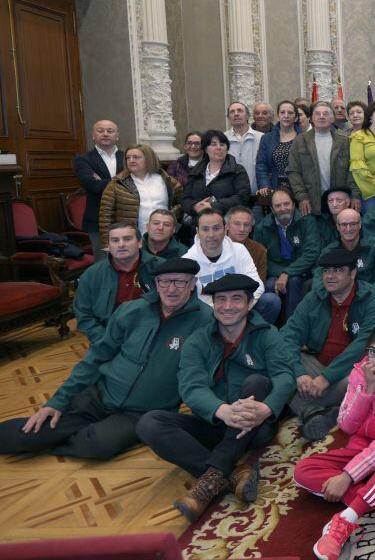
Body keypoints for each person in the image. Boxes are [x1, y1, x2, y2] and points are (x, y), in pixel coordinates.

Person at [0, 258, 212, 459]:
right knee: (30, 433)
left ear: (193, 284)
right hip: (99, 396)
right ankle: (47, 437)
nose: (171, 288)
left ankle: (62, 439)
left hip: (141, 412)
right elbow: (96, 357)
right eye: (164, 281)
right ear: (156, 283)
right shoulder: (131, 311)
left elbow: (204, 377)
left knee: (100, 444)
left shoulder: (206, 322)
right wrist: (57, 402)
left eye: (179, 282)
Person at [136, 273, 294, 522]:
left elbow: (284, 376)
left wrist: (267, 409)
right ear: (212, 304)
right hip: (213, 422)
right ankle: (229, 474)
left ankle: (208, 483)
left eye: (236, 299)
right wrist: (222, 411)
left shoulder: (267, 334)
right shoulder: (198, 340)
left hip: (253, 426)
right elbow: (190, 386)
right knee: (149, 423)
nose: (228, 306)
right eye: (220, 300)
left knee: (257, 382)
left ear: (249, 303)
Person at [294, 321, 375, 559]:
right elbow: (346, 424)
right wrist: (368, 391)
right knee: (302, 471)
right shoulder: (358, 373)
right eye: (373, 352)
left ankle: (348, 516)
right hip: (359, 449)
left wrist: (347, 476)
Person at [282, 249, 375, 442]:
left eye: (337, 270)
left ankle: (302, 405)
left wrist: (327, 377)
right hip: (315, 364)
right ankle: (318, 410)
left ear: (353, 273)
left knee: (365, 378)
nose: (330, 276)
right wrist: (300, 373)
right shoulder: (315, 297)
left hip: (349, 372)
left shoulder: (374, 300)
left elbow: (363, 346)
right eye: (326, 271)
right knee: (280, 363)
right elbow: (288, 335)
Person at [184, 209, 280, 325]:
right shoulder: (187, 261)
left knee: (271, 301)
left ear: (225, 229)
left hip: (240, 307)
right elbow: (190, 301)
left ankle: (254, 338)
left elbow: (257, 285)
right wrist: (222, 312)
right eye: (205, 229)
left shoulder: (239, 250)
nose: (211, 235)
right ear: (197, 232)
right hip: (209, 314)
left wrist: (240, 309)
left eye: (216, 228)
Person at [73, 222, 161, 345]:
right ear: (108, 246)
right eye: (115, 240)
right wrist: (104, 340)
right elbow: (84, 314)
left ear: (140, 243)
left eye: (127, 239)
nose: (121, 245)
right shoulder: (92, 275)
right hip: (107, 339)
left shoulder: (161, 268)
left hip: (153, 337)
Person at [252, 188, 320, 321]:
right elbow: (261, 258)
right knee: (270, 285)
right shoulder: (262, 227)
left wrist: (287, 273)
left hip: (302, 271)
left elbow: (311, 253)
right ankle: (270, 329)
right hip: (274, 272)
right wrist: (283, 272)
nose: (283, 208)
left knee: (293, 282)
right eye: (278, 205)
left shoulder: (307, 222)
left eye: (286, 204)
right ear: (272, 209)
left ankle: (291, 325)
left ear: (293, 204)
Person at [99, 144, 181, 246]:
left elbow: (181, 202)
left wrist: (171, 214)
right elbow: (105, 217)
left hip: (164, 236)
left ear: (149, 159)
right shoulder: (117, 183)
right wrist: (108, 244)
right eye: (128, 158)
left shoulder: (166, 180)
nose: (131, 160)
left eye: (136, 157)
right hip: (132, 239)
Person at [312, 208, 375, 296]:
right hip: (340, 298)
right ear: (337, 227)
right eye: (344, 225)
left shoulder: (374, 245)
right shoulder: (329, 251)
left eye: (353, 224)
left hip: (369, 297)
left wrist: (374, 289)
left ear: (360, 225)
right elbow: (318, 279)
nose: (348, 229)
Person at [287, 101, 353, 217]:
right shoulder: (300, 141)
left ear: (332, 119)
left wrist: (354, 196)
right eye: (317, 114)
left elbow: (351, 171)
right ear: (312, 118)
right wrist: (302, 197)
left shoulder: (344, 141)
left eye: (325, 114)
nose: (321, 117)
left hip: (338, 202)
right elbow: (294, 171)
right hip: (310, 201)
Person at [75, 119, 124, 256]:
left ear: (117, 135)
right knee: (102, 263)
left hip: (127, 216)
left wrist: (102, 181)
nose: (105, 134)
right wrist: (123, 183)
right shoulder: (83, 159)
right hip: (98, 220)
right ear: (93, 135)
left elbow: (136, 183)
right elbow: (91, 184)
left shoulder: (128, 157)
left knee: (128, 260)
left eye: (110, 131)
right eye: (100, 130)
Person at [180, 130, 251, 223]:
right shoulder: (196, 171)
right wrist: (195, 206)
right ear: (205, 149)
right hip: (198, 222)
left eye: (222, 144)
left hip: (227, 221)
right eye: (213, 144)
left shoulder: (237, 170)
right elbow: (185, 198)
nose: (219, 148)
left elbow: (242, 197)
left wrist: (213, 206)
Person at [256, 100, 300, 196]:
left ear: (296, 118)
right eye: (282, 112)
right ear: (277, 116)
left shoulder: (304, 138)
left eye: (290, 113)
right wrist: (264, 185)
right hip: (275, 187)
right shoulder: (267, 138)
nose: (286, 115)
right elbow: (261, 165)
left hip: (299, 187)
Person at [225, 101, 264, 198]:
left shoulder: (262, 138)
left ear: (247, 116)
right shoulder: (222, 139)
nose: (236, 114)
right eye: (232, 112)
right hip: (230, 197)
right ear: (229, 117)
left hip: (256, 197)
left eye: (240, 111)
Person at [225, 205, 268, 282]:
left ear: (251, 228)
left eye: (246, 225)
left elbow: (260, 282)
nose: (242, 229)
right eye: (237, 224)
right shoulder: (216, 247)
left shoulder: (259, 250)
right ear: (227, 226)